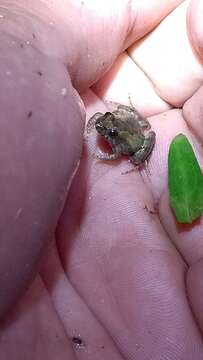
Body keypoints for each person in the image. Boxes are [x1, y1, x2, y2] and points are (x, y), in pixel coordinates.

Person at [1, 0, 203, 358]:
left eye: (105, 127)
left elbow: (123, 147)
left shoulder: (116, 137)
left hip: (140, 141)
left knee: (136, 142)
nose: (103, 128)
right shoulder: (111, 122)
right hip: (138, 128)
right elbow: (122, 124)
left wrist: (108, 155)